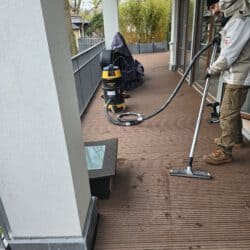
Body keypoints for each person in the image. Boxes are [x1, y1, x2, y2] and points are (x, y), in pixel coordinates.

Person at [204, 0, 250, 165]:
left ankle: (225, 151)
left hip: (240, 75)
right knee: (233, 110)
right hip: (237, 74)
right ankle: (236, 139)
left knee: (226, 113)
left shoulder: (240, 18)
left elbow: (229, 54)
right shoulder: (235, 16)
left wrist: (212, 70)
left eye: (212, 7)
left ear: (220, 2)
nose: (213, 12)